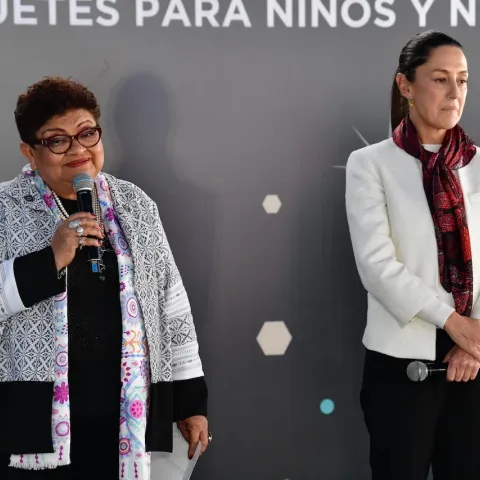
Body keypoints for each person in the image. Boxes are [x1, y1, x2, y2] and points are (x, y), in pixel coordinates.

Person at [0, 76, 210, 479]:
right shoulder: (7, 208)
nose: (78, 149)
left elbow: (171, 305)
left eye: (87, 134)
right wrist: (51, 260)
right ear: (30, 151)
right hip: (33, 414)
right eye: (58, 140)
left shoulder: (135, 203)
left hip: (122, 416)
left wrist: (189, 401)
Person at [345, 31, 480, 480]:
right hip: (401, 363)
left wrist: (474, 344)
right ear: (406, 85)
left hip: (475, 361)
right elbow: (377, 265)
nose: (455, 92)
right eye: (440, 79)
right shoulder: (370, 163)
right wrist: (456, 325)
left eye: (462, 79)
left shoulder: (479, 164)